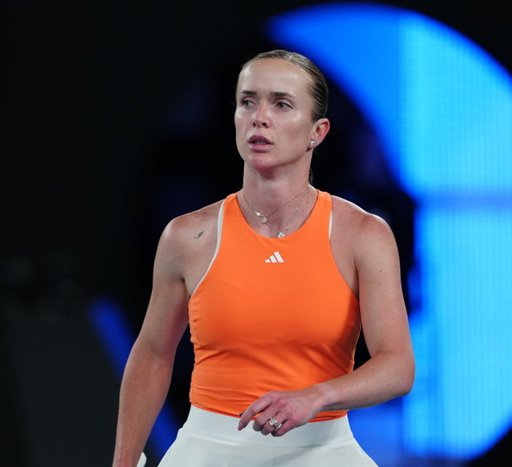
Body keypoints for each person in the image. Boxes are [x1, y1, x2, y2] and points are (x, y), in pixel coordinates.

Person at [112, 49, 414, 467]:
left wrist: (317, 396)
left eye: (281, 104)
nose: (259, 117)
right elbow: (152, 355)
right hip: (207, 449)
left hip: (322, 448)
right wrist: (124, 462)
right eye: (248, 102)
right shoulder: (187, 236)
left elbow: (397, 366)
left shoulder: (363, 234)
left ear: (317, 132)